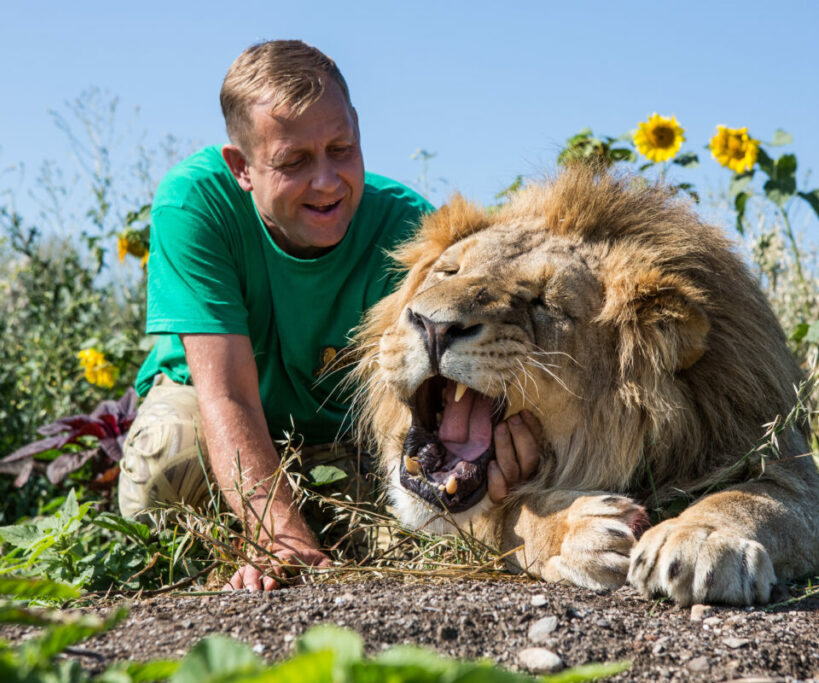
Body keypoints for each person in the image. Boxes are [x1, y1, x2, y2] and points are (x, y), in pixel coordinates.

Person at [117, 40, 542, 591]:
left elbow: (444, 389)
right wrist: (279, 535)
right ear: (242, 167)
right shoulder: (194, 204)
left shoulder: (409, 226)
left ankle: (308, 529)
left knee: (431, 538)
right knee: (161, 472)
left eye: (341, 149)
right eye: (293, 161)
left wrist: (494, 459)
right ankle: (244, 543)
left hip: (346, 438)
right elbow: (228, 396)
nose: (326, 181)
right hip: (215, 411)